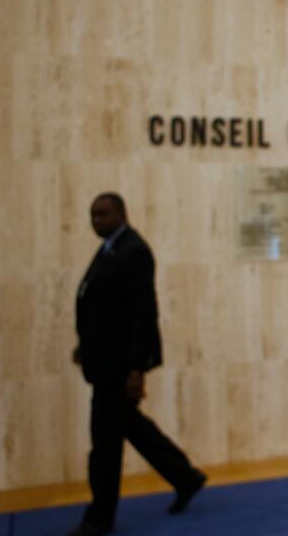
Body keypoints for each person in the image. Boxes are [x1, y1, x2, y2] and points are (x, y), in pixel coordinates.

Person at [68, 193, 206, 536]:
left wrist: (137, 370)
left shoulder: (133, 251)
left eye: (102, 214)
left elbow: (142, 316)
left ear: (121, 214)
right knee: (132, 429)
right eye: (92, 215)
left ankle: (99, 517)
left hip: (118, 369)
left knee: (105, 445)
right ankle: (185, 477)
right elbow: (102, 308)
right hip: (105, 364)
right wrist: (85, 345)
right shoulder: (110, 249)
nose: (96, 221)